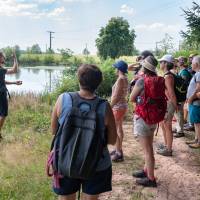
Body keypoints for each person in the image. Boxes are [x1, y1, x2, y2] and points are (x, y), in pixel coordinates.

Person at [51, 64, 117, 200]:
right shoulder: (104, 106)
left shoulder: (63, 99)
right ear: (98, 83)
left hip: (65, 161)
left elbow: (54, 131)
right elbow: (112, 140)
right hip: (97, 164)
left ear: (79, 79)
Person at [130, 56, 161, 187]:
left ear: (144, 67)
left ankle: (151, 178)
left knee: (148, 150)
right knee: (149, 146)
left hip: (143, 117)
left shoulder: (141, 81)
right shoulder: (158, 80)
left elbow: (132, 98)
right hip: (154, 117)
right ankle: (146, 170)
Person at [157, 55, 177, 156]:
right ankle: (166, 145)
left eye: (161, 62)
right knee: (164, 124)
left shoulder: (168, 76)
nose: (160, 63)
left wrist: (174, 106)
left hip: (169, 103)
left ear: (165, 63)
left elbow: (171, 93)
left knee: (168, 125)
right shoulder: (166, 75)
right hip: (167, 103)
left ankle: (169, 150)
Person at [0, 52, 22, 140]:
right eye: (3, 57)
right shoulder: (1, 69)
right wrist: (15, 58)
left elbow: (2, 81)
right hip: (1, 94)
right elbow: (14, 70)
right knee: (3, 114)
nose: (4, 59)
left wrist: (14, 83)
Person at [110, 60, 128, 162]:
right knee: (119, 128)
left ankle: (118, 153)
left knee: (114, 129)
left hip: (118, 107)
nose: (115, 69)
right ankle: (118, 149)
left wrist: (109, 106)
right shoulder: (125, 78)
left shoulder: (121, 79)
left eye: (116, 68)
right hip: (122, 106)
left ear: (119, 69)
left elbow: (116, 96)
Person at [173, 56, 192, 138]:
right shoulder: (181, 71)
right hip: (180, 95)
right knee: (177, 113)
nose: (176, 62)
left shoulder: (184, 72)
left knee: (179, 112)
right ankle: (178, 128)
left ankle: (180, 131)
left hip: (181, 95)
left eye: (178, 61)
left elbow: (183, 85)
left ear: (182, 62)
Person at [186, 56, 200, 148]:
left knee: (198, 122)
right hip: (193, 101)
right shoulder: (197, 74)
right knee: (195, 122)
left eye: (192, 63)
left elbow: (199, 88)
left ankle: (199, 142)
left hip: (195, 102)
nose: (191, 64)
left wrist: (191, 98)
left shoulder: (199, 74)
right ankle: (196, 139)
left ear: (196, 64)